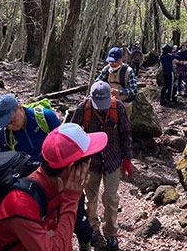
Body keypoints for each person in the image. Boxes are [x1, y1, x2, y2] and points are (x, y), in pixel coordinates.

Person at [0, 95, 94, 250]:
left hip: (59, 176)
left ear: (20, 108)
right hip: (32, 188)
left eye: (12, 121)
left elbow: (63, 143)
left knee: (77, 211)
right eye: (6, 125)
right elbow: (9, 163)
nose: (10, 127)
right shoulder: (5, 136)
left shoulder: (45, 117)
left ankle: (85, 242)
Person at [69, 81, 133, 251]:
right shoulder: (83, 108)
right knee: (90, 198)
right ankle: (93, 229)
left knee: (111, 197)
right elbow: (73, 132)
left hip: (113, 159)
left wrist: (127, 158)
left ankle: (111, 233)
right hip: (91, 160)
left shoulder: (118, 108)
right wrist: (74, 160)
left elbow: (126, 133)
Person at [96, 46, 138, 118]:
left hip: (124, 105)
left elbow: (134, 90)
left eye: (114, 61)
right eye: (110, 61)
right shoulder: (106, 69)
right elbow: (97, 82)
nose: (112, 63)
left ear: (121, 59)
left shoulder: (128, 71)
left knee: (123, 126)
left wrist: (120, 92)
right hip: (108, 104)